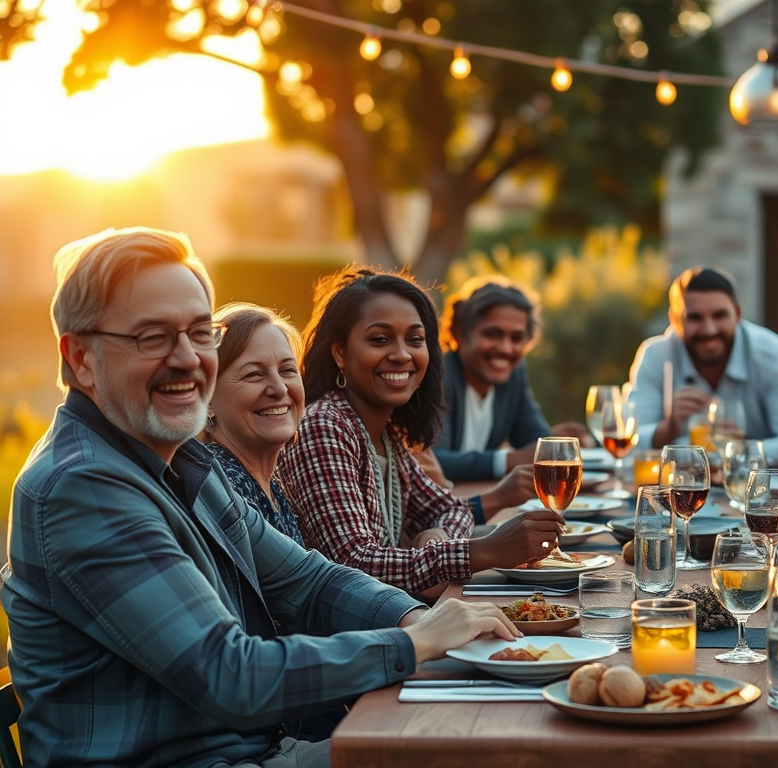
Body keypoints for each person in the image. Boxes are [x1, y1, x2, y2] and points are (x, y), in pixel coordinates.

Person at [1, 227, 520, 768]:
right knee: (482, 750)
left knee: (485, 733)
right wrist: (413, 645)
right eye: (152, 337)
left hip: (258, 749)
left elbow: (308, 577)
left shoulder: (182, 462)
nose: (187, 359)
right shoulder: (85, 487)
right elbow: (230, 674)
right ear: (80, 358)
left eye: (200, 334)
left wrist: (414, 616)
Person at [278, 267, 564, 599]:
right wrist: (485, 551)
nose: (402, 355)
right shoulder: (325, 425)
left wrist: (437, 536)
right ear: (340, 352)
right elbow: (355, 564)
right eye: (380, 339)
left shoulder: (388, 435)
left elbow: (452, 509)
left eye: (415, 339)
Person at [628, 266, 778, 468]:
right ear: (674, 320)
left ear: (737, 314)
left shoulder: (772, 353)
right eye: (694, 318)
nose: (709, 330)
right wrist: (666, 430)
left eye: (719, 315)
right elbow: (626, 446)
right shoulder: (655, 356)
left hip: (754, 493)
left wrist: (735, 450)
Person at [433, 276, 592, 501]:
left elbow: (533, 442)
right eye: (492, 334)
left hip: (476, 503)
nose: (506, 349)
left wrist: (553, 442)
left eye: (516, 338)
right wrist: (508, 460)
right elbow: (434, 459)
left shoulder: (513, 375)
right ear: (460, 332)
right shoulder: (438, 375)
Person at [205, 302, 306, 547]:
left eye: (288, 370)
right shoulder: (222, 488)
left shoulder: (272, 487)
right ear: (206, 399)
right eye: (254, 374)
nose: (280, 388)